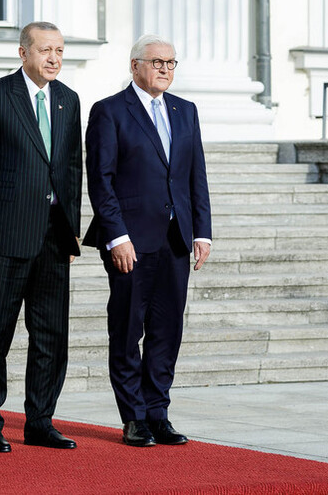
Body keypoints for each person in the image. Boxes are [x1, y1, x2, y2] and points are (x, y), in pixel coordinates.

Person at [83, 34, 212, 447]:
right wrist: (116, 235)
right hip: (129, 242)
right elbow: (100, 180)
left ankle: (158, 412)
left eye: (171, 63)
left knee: (167, 330)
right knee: (126, 330)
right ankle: (133, 417)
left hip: (176, 238)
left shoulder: (185, 111)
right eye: (157, 62)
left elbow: (196, 177)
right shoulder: (109, 112)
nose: (165, 70)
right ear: (135, 65)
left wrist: (202, 232)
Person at [0, 21, 83, 452]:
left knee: (51, 335)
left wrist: (71, 234)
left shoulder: (68, 100)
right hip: (5, 236)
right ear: (23, 52)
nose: (54, 58)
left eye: (60, 51)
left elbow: (71, 170)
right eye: (46, 49)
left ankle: (40, 420)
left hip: (53, 239)